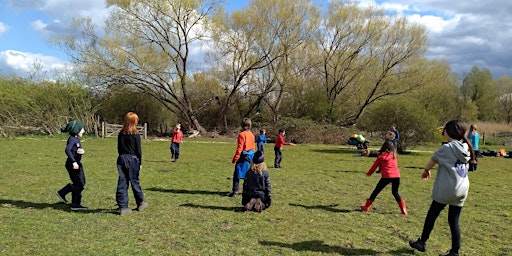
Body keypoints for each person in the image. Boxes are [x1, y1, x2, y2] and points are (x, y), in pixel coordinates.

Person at [409, 119, 477, 256]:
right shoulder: (466, 147)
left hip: (447, 189)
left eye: (444, 129)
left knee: (432, 215)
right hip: (462, 189)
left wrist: (426, 170)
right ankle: (454, 251)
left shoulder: (447, 148)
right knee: (453, 220)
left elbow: (432, 161)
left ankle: (422, 242)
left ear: (449, 132)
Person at [360, 140, 407, 215]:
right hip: (397, 176)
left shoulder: (381, 156)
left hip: (387, 176)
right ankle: (403, 210)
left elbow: (374, 166)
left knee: (376, 191)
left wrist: (369, 173)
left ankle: (366, 206)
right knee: (395, 192)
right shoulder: (394, 156)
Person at [116, 112, 148, 216]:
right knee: (134, 181)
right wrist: (140, 162)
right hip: (132, 159)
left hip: (121, 158)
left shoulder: (121, 134)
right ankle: (140, 202)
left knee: (122, 182)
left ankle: (123, 206)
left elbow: (119, 148)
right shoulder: (135, 135)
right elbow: (139, 151)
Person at [56, 120, 88, 211]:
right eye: (82, 129)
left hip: (77, 164)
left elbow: (76, 149)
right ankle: (75, 204)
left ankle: (62, 192)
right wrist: (74, 162)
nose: (84, 131)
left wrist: (81, 151)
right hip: (72, 165)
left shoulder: (76, 139)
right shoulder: (72, 139)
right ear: (76, 130)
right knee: (79, 183)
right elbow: (67, 150)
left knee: (81, 182)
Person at [228, 118, 256, 197]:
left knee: (236, 174)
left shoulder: (242, 135)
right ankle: (247, 190)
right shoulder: (252, 135)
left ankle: (235, 191)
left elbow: (240, 148)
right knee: (247, 175)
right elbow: (253, 147)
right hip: (250, 156)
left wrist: (235, 159)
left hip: (243, 156)